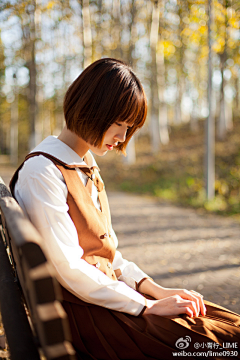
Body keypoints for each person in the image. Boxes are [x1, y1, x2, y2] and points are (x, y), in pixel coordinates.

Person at [10, 58, 240, 360]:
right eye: (119, 123)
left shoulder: (83, 166)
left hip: (106, 302)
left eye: (129, 127)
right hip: (88, 319)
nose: (122, 137)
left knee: (229, 324)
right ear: (92, 107)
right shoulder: (43, 172)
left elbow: (108, 254)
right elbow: (68, 267)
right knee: (227, 342)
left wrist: (154, 289)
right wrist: (147, 306)